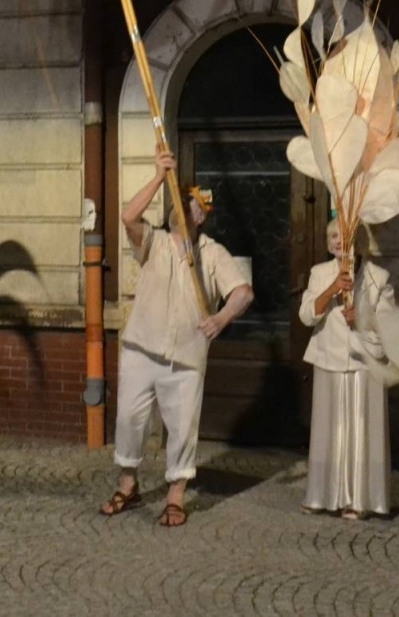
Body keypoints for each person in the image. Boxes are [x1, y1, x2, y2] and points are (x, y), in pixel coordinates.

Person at [100, 150, 253, 527]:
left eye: (190, 206)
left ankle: (175, 495)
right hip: (141, 347)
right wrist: (157, 177)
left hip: (186, 356)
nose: (182, 210)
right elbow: (127, 217)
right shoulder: (155, 242)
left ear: (202, 216)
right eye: (178, 204)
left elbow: (243, 293)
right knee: (130, 421)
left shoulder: (212, 253)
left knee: (183, 426)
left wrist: (220, 318)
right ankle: (128, 485)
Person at [299, 218, 394, 520]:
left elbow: (389, 326)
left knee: (360, 429)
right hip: (329, 359)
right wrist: (331, 289)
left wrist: (362, 318)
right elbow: (306, 315)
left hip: (363, 363)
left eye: (347, 236)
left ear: (360, 242)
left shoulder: (378, 276)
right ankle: (323, 494)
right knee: (328, 429)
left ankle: (359, 499)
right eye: (334, 236)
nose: (340, 241)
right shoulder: (319, 273)